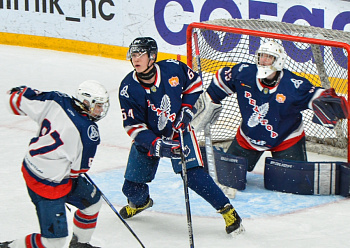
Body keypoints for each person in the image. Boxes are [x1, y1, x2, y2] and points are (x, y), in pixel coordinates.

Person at [118, 37, 244, 235]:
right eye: (133, 54)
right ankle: (141, 203)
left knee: (194, 176)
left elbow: (195, 84)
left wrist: (187, 110)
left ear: (152, 56)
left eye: (139, 54)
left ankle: (228, 212)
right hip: (148, 138)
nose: (135, 59)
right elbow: (133, 126)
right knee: (131, 188)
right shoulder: (128, 88)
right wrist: (157, 145)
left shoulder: (173, 69)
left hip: (179, 132)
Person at [197, 40, 348, 173]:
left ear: (278, 61)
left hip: (287, 138)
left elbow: (315, 94)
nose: (263, 60)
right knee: (228, 174)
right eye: (262, 56)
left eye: (269, 57)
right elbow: (222, 79)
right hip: (249, 137)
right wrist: (210, 101)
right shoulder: (244, 74)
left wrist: (327, 101)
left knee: (293, 183)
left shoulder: (293, 85)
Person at [0, 80, 110, 248]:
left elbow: (14, 101)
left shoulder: (56, 100)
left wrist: (19, 91)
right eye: (98, 106)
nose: (101, 110)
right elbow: (78, 170)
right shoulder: (88, 133)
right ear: (85, 102)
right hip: (46, 184)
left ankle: (80, 245)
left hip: (32, 164)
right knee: (53, 243)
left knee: (93, 203)